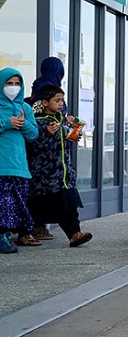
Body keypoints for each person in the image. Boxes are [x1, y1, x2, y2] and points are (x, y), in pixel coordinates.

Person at [26, 85, 93, 247]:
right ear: (45, 102)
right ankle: (27, 232)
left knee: (69, 204)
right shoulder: (38, 122)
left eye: (62, 100)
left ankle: (75, 234)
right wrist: (47, 134)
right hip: (44, 176)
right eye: (57, 100)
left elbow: (69, 137)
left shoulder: (61, 120)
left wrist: (73, 129)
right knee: (36, 206)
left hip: (63, 175)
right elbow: (34, 146)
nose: (61, 103)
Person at [24, 56, 73, 240]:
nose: (60, 102)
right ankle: (38, 227)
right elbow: (40, 113)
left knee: (42, 190)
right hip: (47, 151)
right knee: (47, 189)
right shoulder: (47, 86)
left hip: (50, 147)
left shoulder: (38, 84)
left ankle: (39, 226)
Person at [0, 68, 39, 254]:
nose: (13, 87)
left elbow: (33, 135)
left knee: (16, 204)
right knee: (3, 203)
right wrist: (7, 123)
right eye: (9, 83)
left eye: (17, 84)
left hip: (19, 167)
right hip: (2, 166)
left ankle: (11, 234)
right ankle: (3, 236)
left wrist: (23, 124)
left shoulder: (25, 108)